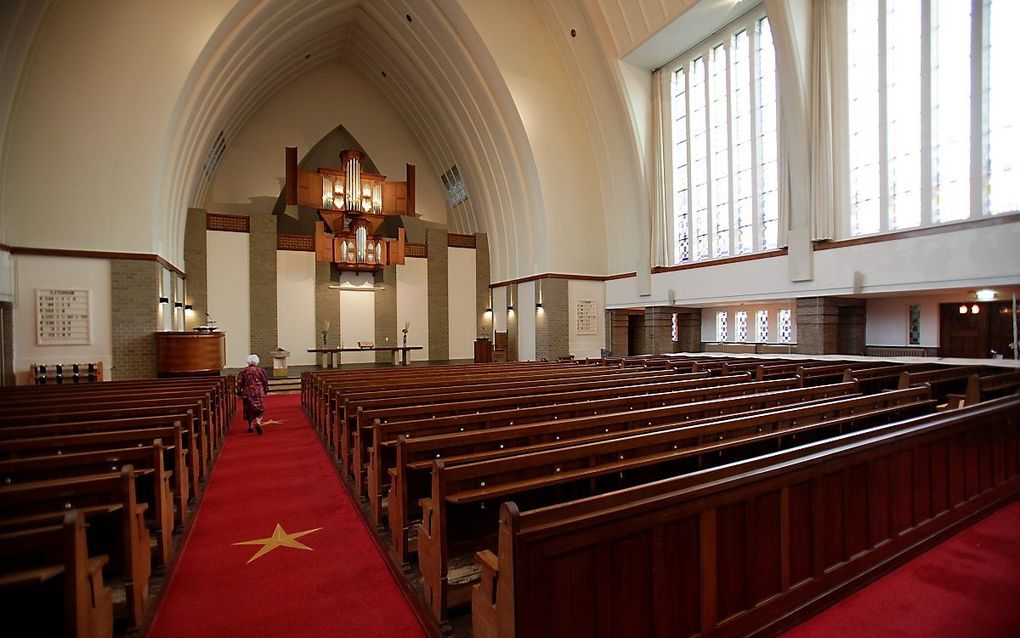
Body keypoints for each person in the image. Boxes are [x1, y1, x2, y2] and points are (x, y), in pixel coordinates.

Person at [236, 354, 270, 435]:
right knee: (259, 410)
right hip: (258, 392)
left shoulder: (242, 371)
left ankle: (250, 426)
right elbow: (265, 381)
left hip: (247, 393)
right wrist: (266, 390)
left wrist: (239, 391)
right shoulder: (261, 371)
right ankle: (258, 422)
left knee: (248, 410)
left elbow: (239, 383)